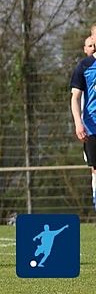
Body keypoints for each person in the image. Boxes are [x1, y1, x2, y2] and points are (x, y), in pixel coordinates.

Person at [70, 35, 96, 213]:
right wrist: (78, 123)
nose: (93, 46)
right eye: (90, 44)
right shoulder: (84, 67)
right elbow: (75, 97)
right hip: (92, 126)